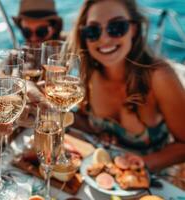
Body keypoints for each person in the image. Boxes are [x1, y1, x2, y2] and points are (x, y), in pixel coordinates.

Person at [68, 0, 185, 172]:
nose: (105, 39)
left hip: (155, 179)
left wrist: (142, 164)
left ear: (134, 29)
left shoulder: (159, 77)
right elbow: (85, 120)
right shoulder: (88, 74)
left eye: (116, 27)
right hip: (105, 173)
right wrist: (98, 133)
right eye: (93, 31)